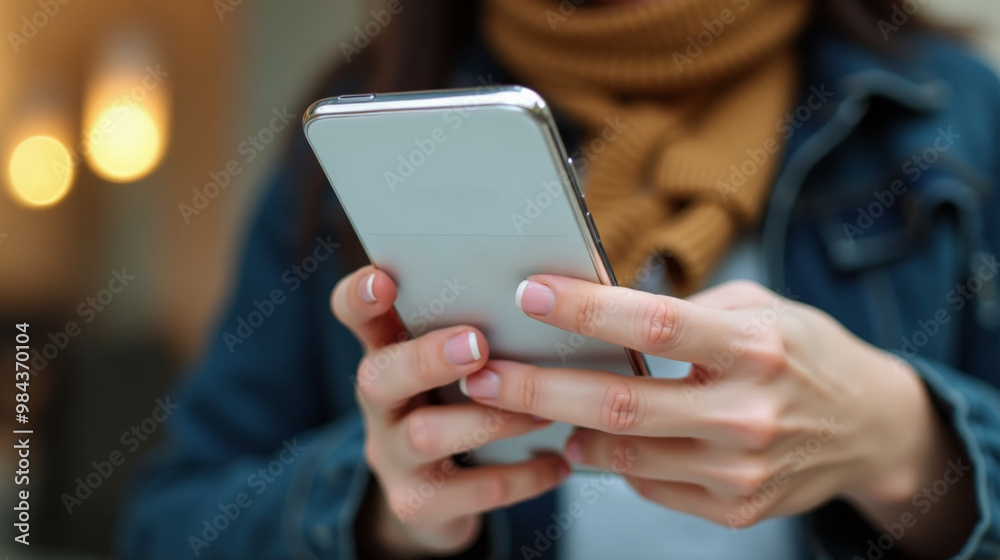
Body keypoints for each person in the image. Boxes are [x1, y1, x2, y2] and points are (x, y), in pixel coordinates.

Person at [117, 0, 1000, 558]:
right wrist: (378, 511)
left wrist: (908, 442)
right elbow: (167, 524)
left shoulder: (955, 114)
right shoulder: (376, 111)